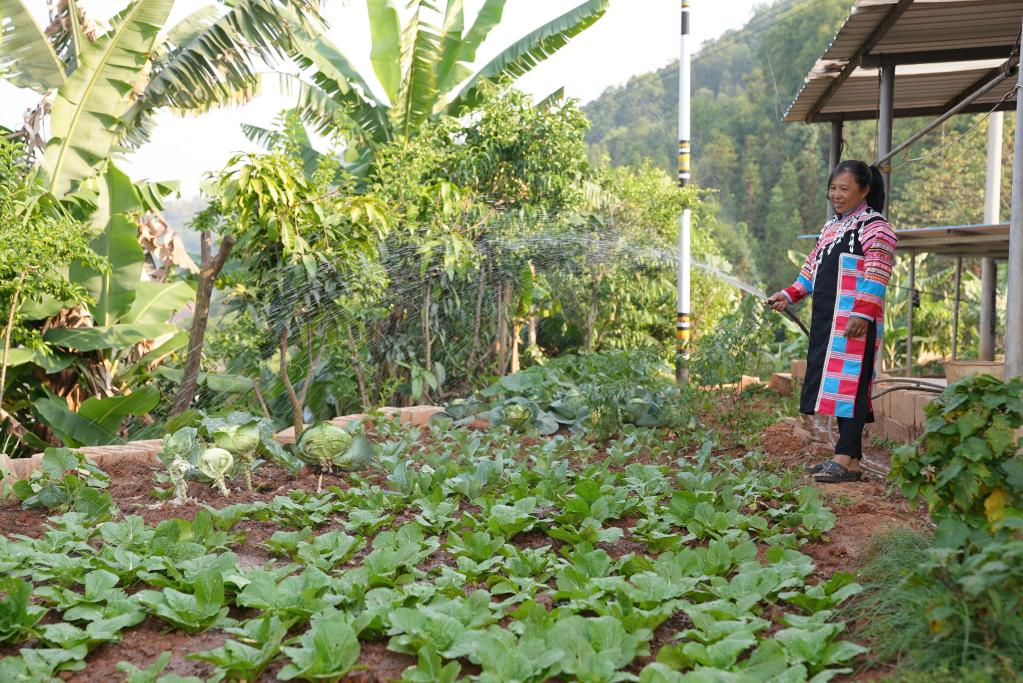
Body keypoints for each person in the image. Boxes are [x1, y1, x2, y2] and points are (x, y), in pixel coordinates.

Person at [767, 160, 897, 483]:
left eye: (844, 189)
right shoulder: (831, 228)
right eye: (833, 188)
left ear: (864, 191)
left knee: (852, 384)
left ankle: (844, 454)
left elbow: (877, 273)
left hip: (854, 320)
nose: (836, 195)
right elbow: (810, 270)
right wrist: (789, 294)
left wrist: (862, 314)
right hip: (829, 319)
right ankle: (850, 462)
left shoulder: (875, 227)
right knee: (840, 385)